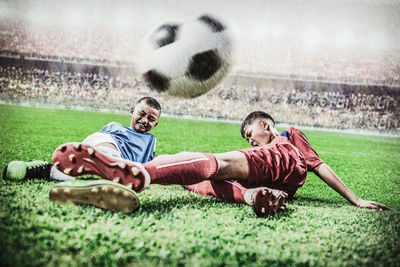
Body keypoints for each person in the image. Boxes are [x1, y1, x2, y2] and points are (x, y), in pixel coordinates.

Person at [51, 111, 390, 216]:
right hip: (278, 188)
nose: (249, 139)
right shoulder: (277, 149)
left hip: (280, 164)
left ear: (266, 126)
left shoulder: (286, 138)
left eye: (250, 133)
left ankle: (142, 172)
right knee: (195, 179)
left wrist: (356, 199)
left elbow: (321, 166)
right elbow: (316, 168)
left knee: (213, 162)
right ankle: (252, 196)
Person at [3, 96, 162, 213]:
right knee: (104, 150)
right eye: (141, 114)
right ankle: (105, 169)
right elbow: (92, 144)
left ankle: (41, 170)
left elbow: (147, 164)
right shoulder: (113, 126)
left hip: (123, 167)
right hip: (107, 146)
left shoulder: (151, 141)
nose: (144, 120)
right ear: (132, 111)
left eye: (151, 118)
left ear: (155, 124)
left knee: (87, 175)